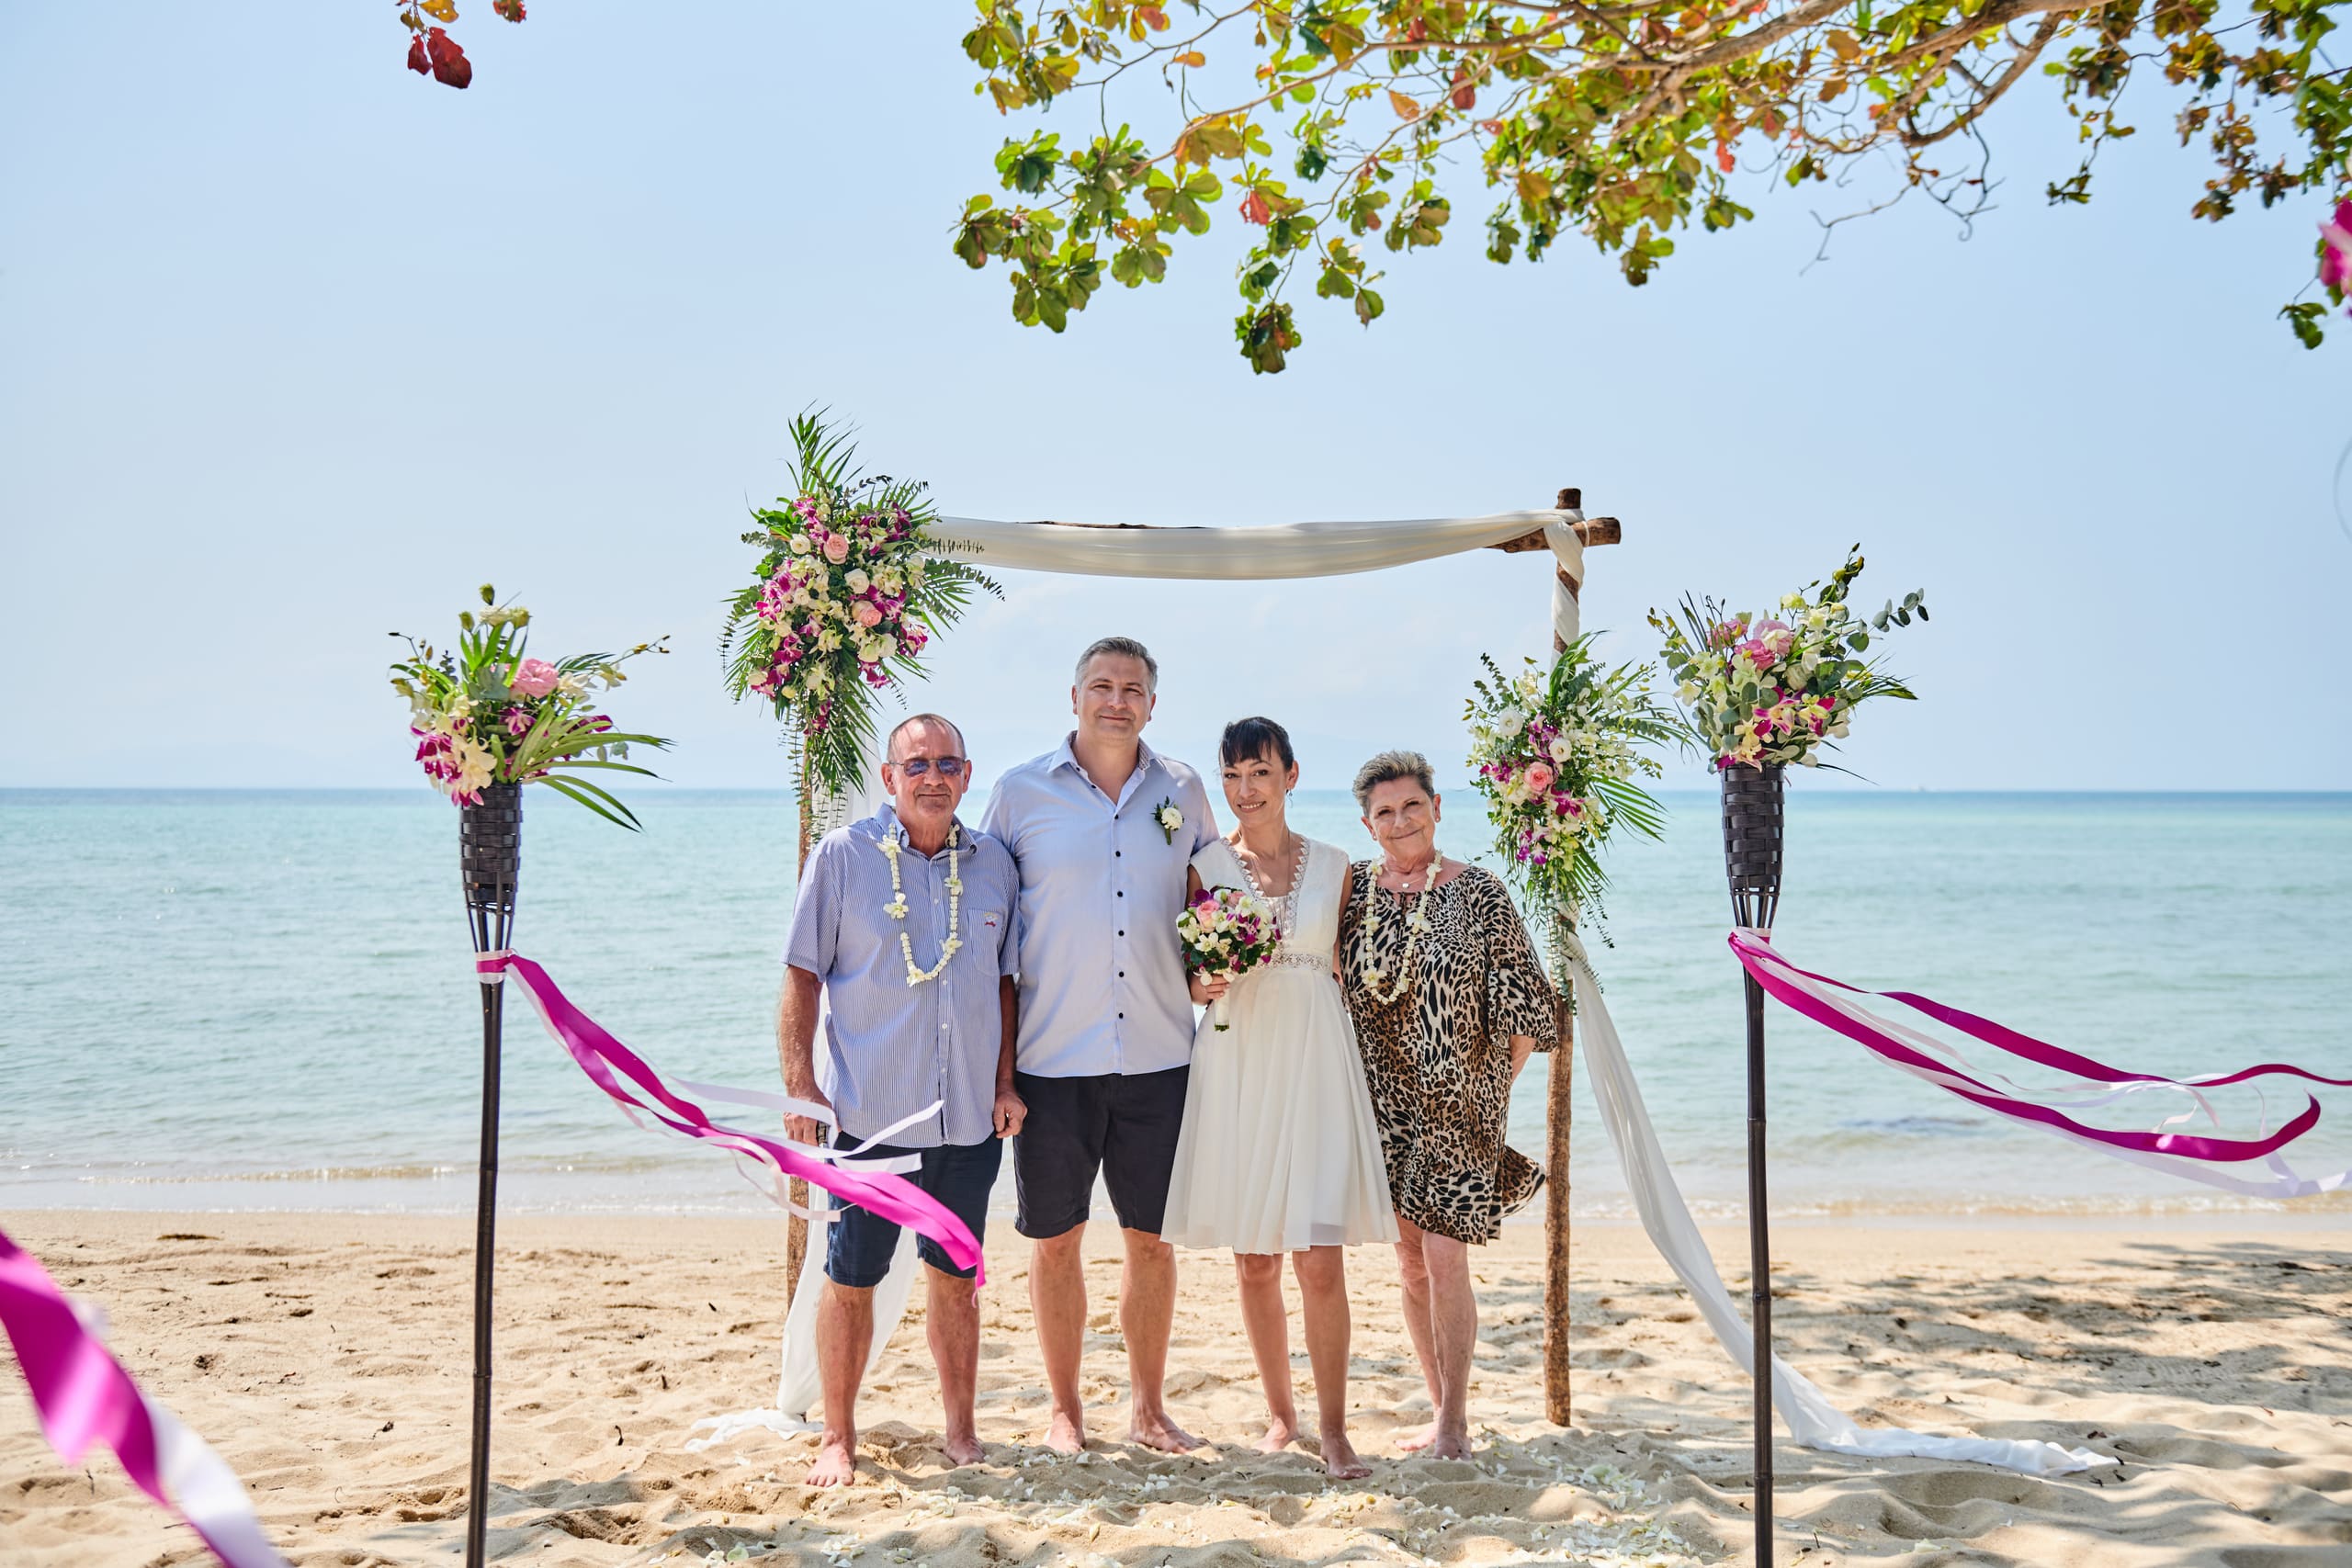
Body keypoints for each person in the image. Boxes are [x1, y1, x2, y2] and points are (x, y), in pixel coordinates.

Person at [979, 636, 1219, 1455]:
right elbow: (991, 941)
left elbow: (1212, 904)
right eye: (1102, 685)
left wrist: (1214, 971)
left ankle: (1148, 1409)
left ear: (1153, 702)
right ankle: (1065, 1410)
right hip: (1053, 1063)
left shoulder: (1183, 789)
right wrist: (999, 1071)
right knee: (1056, 1240)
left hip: (1160, 1056)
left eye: (1133, 688)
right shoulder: (1017, 796)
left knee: (1151, 1240)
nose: (1117, 699)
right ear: (1073, 695)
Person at [777, 713, 1025, 1488]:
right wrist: (798, 1083)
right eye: (916, 764)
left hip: (968, 1120)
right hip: (869, 1116)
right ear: (890, 777)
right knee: (850, 1277)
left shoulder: (995, 865)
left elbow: (1007, 981)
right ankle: (838, 1437)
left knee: (957, 1277)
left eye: (948, 763)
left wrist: (1006, 1081)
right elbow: (800, 972)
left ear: (967, 773)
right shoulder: (844, 856)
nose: (933, 776)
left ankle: (961, 1430)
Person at [1162, 716, 1394, 1478]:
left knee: (1319, 1259)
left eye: (1259, 772)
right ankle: (1281, 1415)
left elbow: (1349, 970)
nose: (1244, 789)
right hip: (1239, 1059)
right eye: (1231, 775)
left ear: (1290, 776)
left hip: (1316, 1062)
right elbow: (1191, 978)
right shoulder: (1205, 866)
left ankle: (1334, 1428)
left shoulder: (1336, 866)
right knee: (1255, 1259)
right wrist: (1206, 982)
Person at [1336, 749, 1559, 1461]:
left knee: (1445, 1257)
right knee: (1407, 1261)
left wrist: (1492, 1090)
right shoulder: (1355, 892)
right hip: (1382, 1106)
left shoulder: (1482, 891)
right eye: (1384, 812)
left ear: (1437, 807)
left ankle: (1456, 1423)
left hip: (1462, 1110)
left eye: (1412, 805)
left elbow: (1529, 1004)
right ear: (1367, 825)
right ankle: (1437, 1410)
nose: (1400, 821)